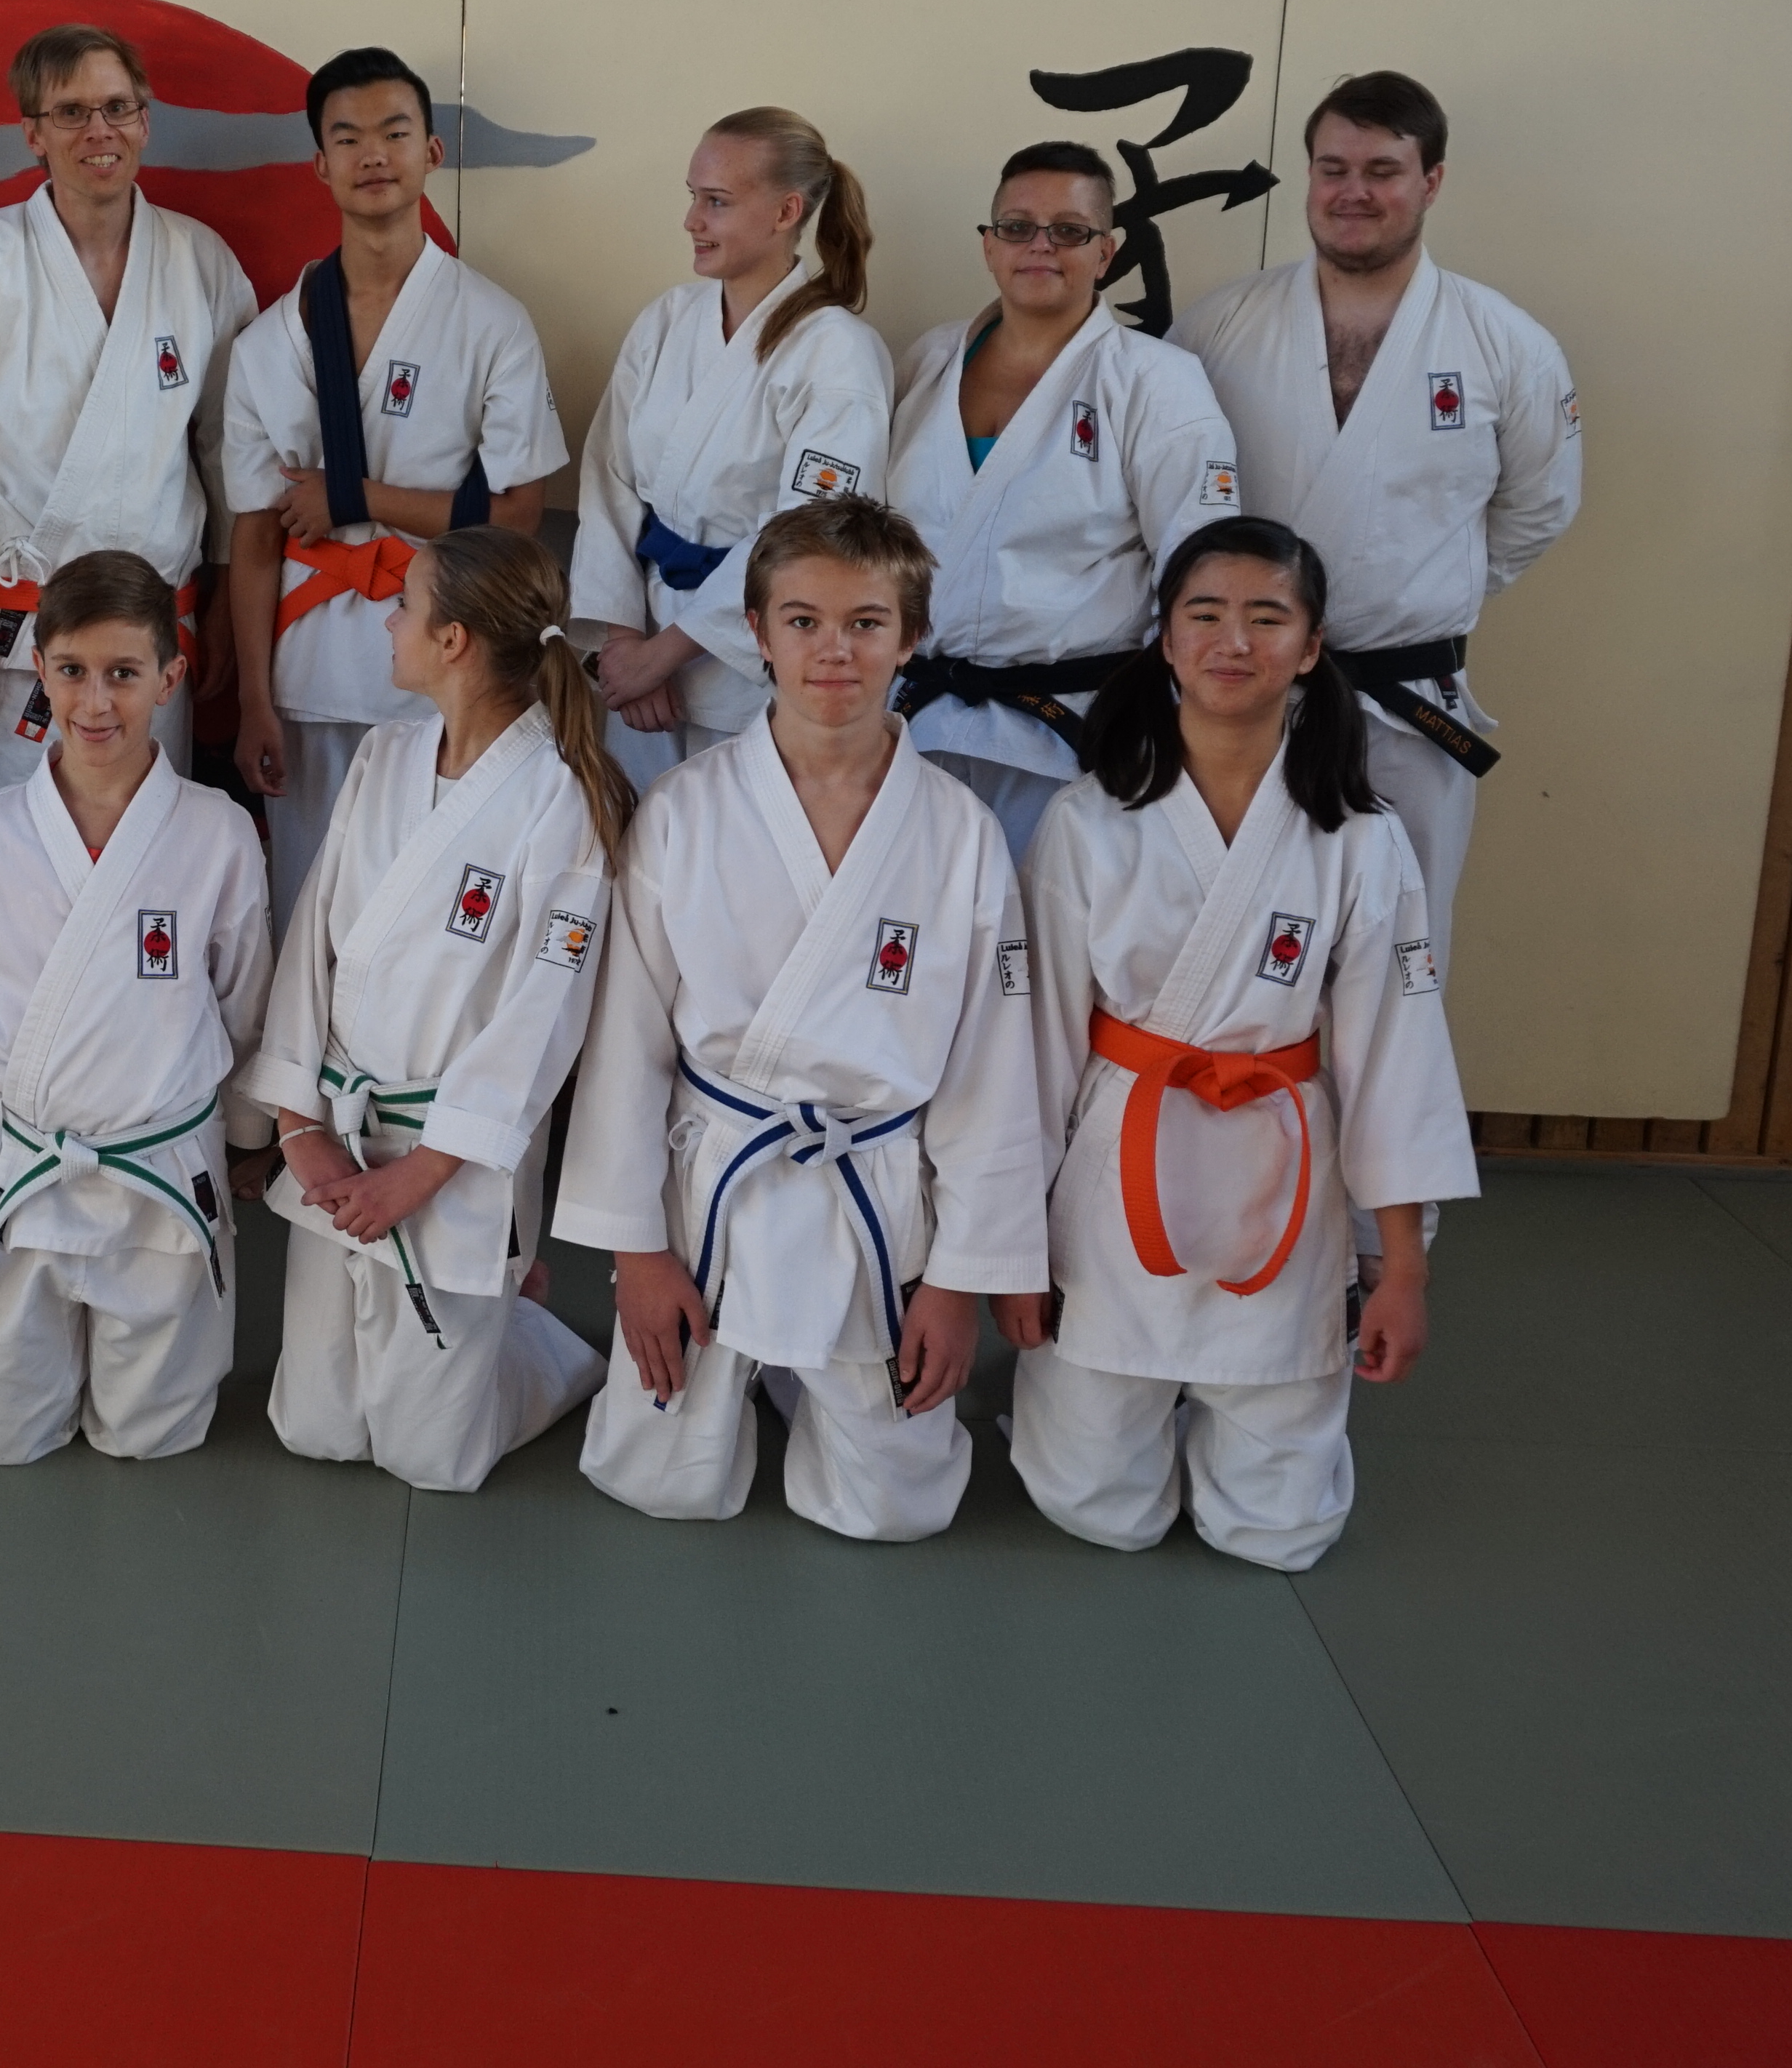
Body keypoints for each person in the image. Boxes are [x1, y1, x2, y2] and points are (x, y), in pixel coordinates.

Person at [554, 497, 1054, 1541]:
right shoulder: (683, 810)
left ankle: (806, 1370)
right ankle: (728, 1364)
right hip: (713, 1189)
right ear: (757, 633)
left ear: (910, 638)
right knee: (659, 1480)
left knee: (894, 1509)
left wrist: (958, 1280)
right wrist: (636, 1253)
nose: (835, 650)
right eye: (803, 621)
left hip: (872, 1197)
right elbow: (626, 1051)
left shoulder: (959, 835)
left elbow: (993, 1077)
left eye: (867, 623)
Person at [1006, 517, 1475, 1571]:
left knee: (1280, 1532)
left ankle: (1242, 1412)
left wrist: (1401, 1268)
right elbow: (1033, 1052)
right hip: (1121, 1168)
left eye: (1268, 617)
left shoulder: (1361, 836)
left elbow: (1397, 1061)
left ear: (1310, 648)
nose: (1234, 641)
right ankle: (1107, 1409)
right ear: (1165, 640)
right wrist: (1010, 1245)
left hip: (1282, 1172)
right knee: (1100, 1509)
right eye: (1205, 614)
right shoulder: (1088, 820)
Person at [1170, 72, 1581, 954]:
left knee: (1398, 952)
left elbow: (1537, 506)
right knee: (1224, 945)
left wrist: (1413, 585)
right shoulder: (1217, 327)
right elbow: (1163, 500)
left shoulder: (1503, 343)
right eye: (1332, 168)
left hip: (1404, 705)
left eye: (1381, 170)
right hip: (1240, 698)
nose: (1352, 191)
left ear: (1430, 180)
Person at [244, 526, 618, 1492]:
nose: (388, 621)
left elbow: (544, 1016)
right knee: (313, 1427)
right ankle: (496, 1311)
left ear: (453, 641)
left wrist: (424, 1171)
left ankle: (538, 1343)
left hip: (453, 1160)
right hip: (340, 1138)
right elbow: (311, 943)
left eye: (404, 605)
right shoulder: (382, 756)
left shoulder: (560, 799)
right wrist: (297, 1127)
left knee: (432, 1459)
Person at [0, 550, 273, 1465]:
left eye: (123, 673)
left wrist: (247, 1133)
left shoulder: (216, 832)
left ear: (170, 675)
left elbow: (243, 999)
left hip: (158, 1172)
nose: (95, 701)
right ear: (38, 669)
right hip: (29, 1170)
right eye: (73, 670)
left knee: (150, 1436)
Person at [224, 47, 563, 926]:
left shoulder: (491, 323)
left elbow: (518, 515)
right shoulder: (268, 345)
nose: (372, 154)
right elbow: (254, 538)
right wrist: (253, 701)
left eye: (393, 132)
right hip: (308, 669)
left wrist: (356, 499)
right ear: (319, 163)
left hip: (449, 664)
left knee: (430, 915)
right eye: (347, 138)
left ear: (431, 152)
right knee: (306, 908)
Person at [0, 23, 250, 793]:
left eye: (117, 107)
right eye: (70, 112)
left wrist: (224, 606)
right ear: (33, 133)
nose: (99, 130)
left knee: (143, 843)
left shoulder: (200, 261)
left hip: (150, 640)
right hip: (10, 633)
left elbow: (231, 450)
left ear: (144, 121)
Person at [882, 141, 1243, 859]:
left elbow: (1201, 578)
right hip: (911, 725)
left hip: (1068, 738)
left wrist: (1173, 732)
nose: (1039, 246)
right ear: (989, 246)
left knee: (1052, 930)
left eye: (1069, 231)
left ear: (1105, 252)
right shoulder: (928, 361)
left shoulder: (1158, 382)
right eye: (1017, 227)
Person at [567, 108, 897, 781]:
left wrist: (668, 654)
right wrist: (626, 642)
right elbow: (608, 479)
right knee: (636, 834)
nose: (692, 220)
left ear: (786, 211)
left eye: (716, 202)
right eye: (693, 196)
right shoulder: (666, 321)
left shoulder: (838, 353)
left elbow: (809, 532)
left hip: (751, 666)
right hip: (641, 648)